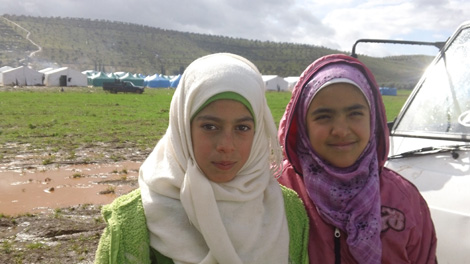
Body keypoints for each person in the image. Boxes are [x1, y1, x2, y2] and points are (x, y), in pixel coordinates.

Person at [94, 53, 309, 264]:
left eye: (242, 128)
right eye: (210, 126)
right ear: (183, 129)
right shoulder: (134, 221)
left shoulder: (288, 211)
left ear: (258, 130)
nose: (226, 145)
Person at [277, 54, 437, 264]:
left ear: (373, 120)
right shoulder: (277, 193)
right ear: (303, 125)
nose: (341, 131)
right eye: (324, 116)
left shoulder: (404, 198)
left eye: (355, 114)